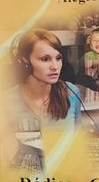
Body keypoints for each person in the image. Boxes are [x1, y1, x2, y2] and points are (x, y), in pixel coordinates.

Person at [9, 29, 82, 171]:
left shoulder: (72, 92)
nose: (55, 66)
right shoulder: (7, 100)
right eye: (45, 59)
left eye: (58, 58)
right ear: (25, 59)